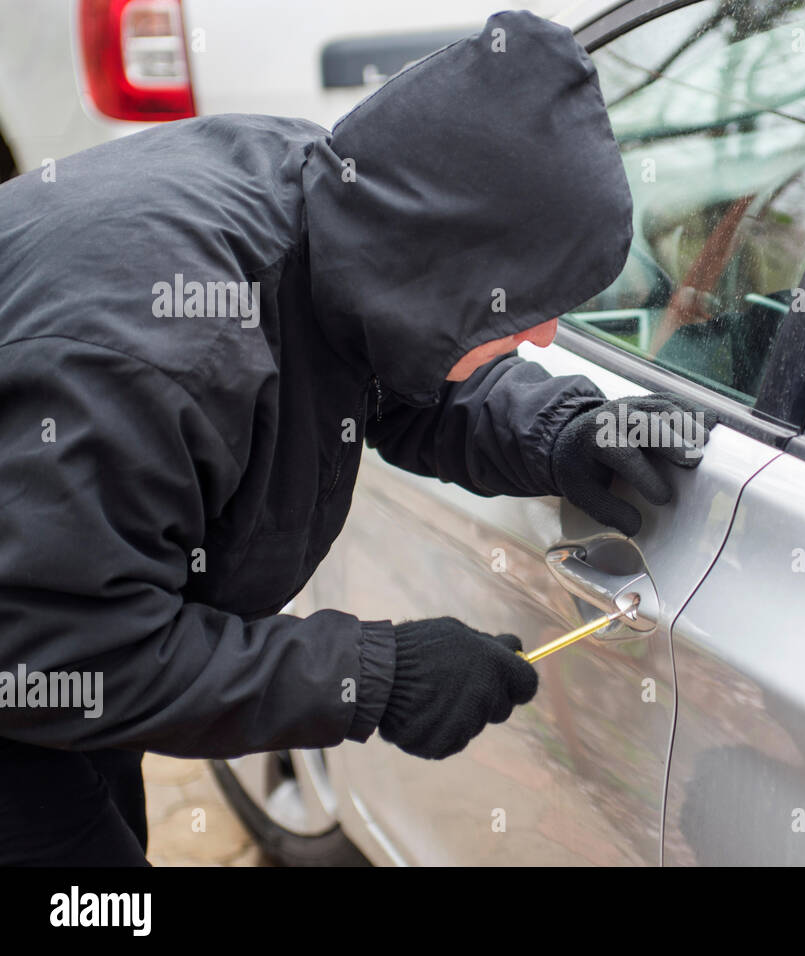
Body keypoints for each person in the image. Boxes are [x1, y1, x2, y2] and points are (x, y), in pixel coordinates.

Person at [0, 10, 711, 866]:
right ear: (452, 276)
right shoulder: (169, 355)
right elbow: (61, 653)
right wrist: (377, 676)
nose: (548, 336)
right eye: (528, 301)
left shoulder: (332, 204)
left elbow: (389, 373)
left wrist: (564, 432)